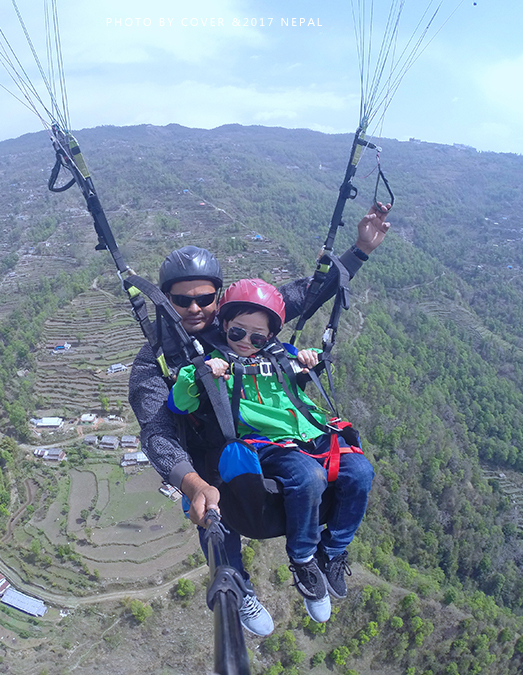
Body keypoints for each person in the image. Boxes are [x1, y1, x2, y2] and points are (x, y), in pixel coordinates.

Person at [127, 204, 391, 634]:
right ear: (165, 300)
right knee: (216, 512)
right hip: (207, 455)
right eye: (180, 300)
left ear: (219, 296)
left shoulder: (239, 317)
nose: (194, 308)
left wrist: (360, 250)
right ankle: (239, 587)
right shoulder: (155, 359)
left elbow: (305, 293)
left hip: (266, 436)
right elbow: (156, 431)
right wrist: (190, 482)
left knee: (343, 471)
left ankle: (318, 562)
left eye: (204, 298)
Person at [167, 279, 374, 623]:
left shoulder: (281, 356)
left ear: (271, 337)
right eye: (237, 334)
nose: (247, 343)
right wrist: (202, 373)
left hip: (312, 433)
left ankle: (333, 550)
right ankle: (304, 557)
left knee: (361, 472)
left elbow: (300, 370)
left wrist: (308, 360)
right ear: (225, 327)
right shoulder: (214, 363)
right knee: (307, 476)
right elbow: (179, 404)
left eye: (258, 338)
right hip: (267, 443)